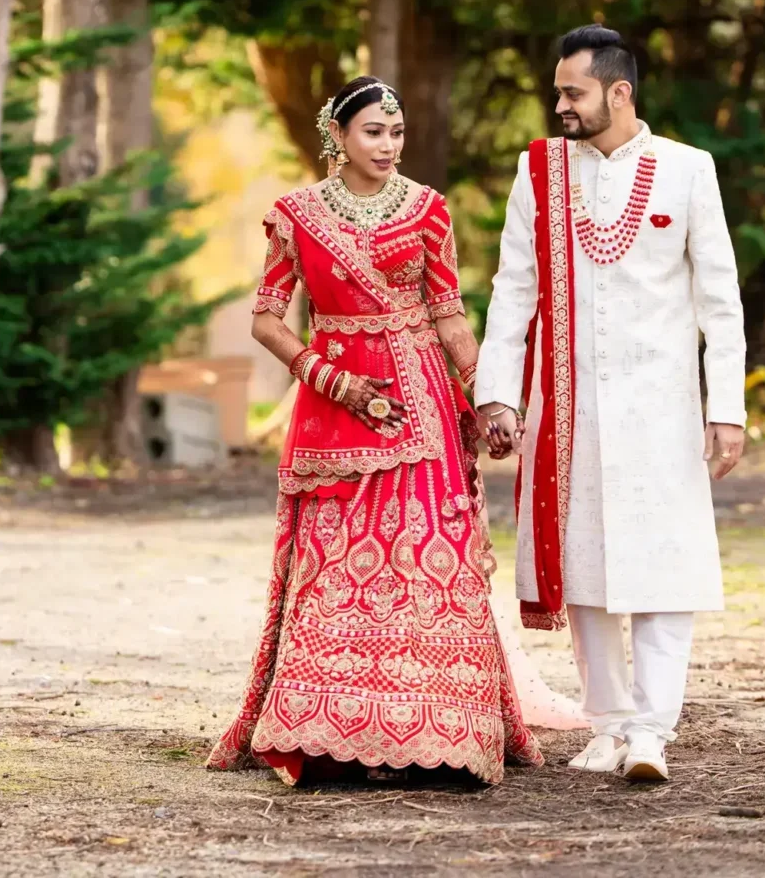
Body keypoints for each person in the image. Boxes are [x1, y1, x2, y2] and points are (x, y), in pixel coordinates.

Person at [206, 76, 545, 786]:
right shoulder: (294, 216)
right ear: (338, 135)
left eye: (395, 134)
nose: (388, 146)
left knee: (432, 560)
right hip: (335, 410)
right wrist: (331, 378)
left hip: (422, 402)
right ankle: (330, 740)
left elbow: (449, 313)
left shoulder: (428, 211)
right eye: (373, 133)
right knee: (334, 568)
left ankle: (446, 735)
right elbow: (267, 318)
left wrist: (489, 399)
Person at [474, 25, 748, 783]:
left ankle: (653, 731)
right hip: (570, 408)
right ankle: (609, 725)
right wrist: (496, 392)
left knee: (665, 564)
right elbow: (513, 287)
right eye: (558, 90)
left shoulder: (688, 171)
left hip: (661, 406)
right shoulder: (541, 172)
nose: (558, 104)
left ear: (619, 93)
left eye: (573, 92)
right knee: (582, 564)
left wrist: (726, 406)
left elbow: (719, 301)